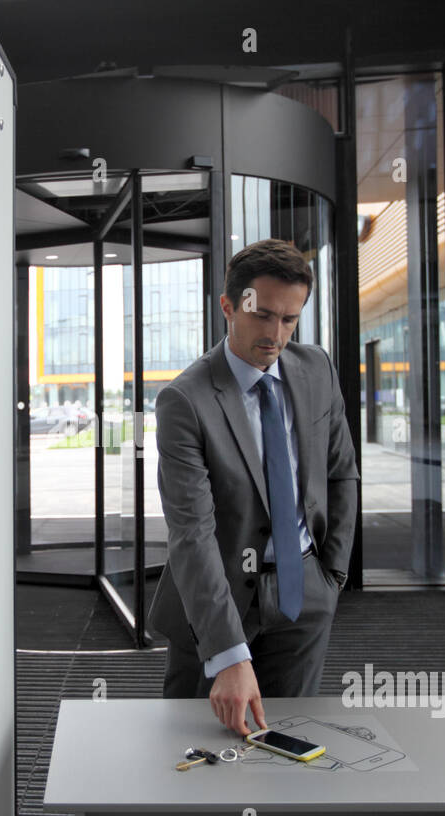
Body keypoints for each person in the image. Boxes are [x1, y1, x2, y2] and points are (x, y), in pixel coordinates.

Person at [149, 238, 360, 735]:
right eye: (263, 315)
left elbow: (341, 473)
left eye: (289, 319)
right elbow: (192, 533)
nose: (276, 334)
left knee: (288, 746)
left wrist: (330, 577)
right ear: (229, 306)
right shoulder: (185, 400)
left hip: (303, 594)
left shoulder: (317, 370)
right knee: (196, 752)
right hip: (216, 600)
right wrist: (226, 652)